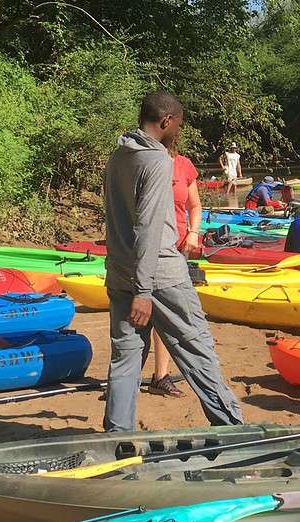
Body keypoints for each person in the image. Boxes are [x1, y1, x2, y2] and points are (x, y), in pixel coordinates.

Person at [102, 90, 244, 430]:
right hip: (159, 275)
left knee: (125, 358)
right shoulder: (156, 161)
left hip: (120, 272)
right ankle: (232, 427)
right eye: (178, 124)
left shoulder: (119, 156)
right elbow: (149, 228)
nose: (178, 131)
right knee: (197, 349)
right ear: (166, 121)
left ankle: (116, 435)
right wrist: (144, 291)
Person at [147, 141, 206, 398]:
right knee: (136, 314)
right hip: (146, 248)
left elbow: (195, 206)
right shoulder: (144, 162)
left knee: (167, 314)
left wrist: (193, 233)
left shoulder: (183, 165)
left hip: (177, 249)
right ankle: (123, 381)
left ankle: (160, 376)